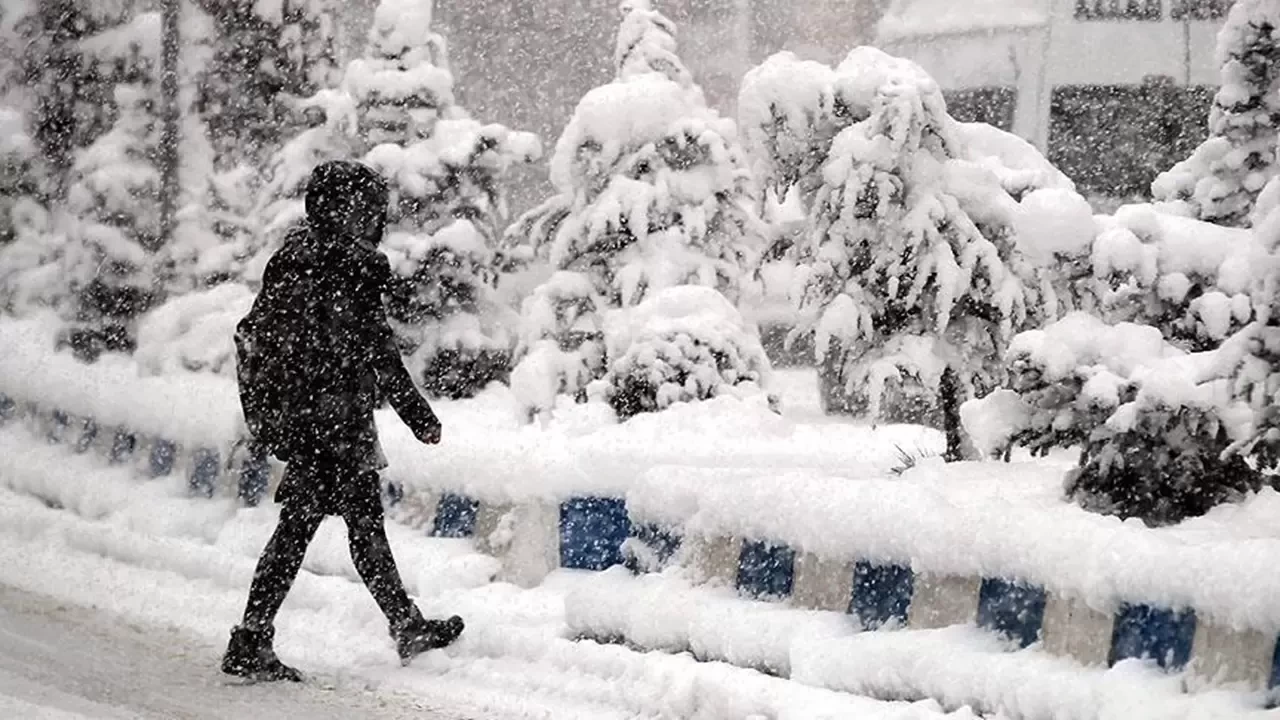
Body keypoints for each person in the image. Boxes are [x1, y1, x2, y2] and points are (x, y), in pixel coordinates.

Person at [222, 160, 464, 682]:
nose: (375, 220)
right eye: (368, 210)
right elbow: (379, 351)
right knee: (321, 529)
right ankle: (254, 636)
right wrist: (419, 416)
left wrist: (275, 413)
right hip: (333, 424)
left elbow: (260, 336)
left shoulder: (293, 260)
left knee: (343, 525)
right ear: (346, 211)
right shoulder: (347, 268)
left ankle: (401, 625)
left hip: (308, 420)